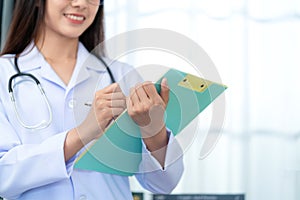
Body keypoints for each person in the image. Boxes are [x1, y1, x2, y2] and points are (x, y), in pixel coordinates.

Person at [0, 0, 184, 199]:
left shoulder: (122, 75)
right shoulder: (4, 73)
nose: (80, 4)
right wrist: (82, 133)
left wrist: (153, 129)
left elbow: (165, 184)